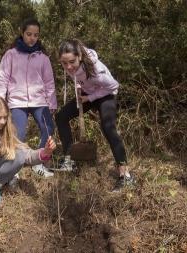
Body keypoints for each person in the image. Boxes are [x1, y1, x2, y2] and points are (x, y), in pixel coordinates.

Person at [53, 38, 134, 192]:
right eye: (64, 63)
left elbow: (113, 85)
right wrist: (81, 86)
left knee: (108, 127)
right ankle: (69, 160)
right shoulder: (69, 66)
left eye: (72, 62)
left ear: (80, 57)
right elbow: (79, 76)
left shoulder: (95, 71)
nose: (68, 67)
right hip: (89, 92)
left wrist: (89, 98)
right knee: (61, 117)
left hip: (106, 93)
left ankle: (126, 176)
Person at [0, 18, 57, 178]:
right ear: (22, 33)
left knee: (48, 128)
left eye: (36, 35)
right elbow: (2, 79)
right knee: (17, 135)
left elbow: (49, 82)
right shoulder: (11, 54)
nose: (32, 38)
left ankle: (38, 164)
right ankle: (13, 170)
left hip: (39, 101)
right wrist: (0, 102)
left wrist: (51, 103)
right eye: (29, 34)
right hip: (17, 102)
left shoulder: (43, 57)